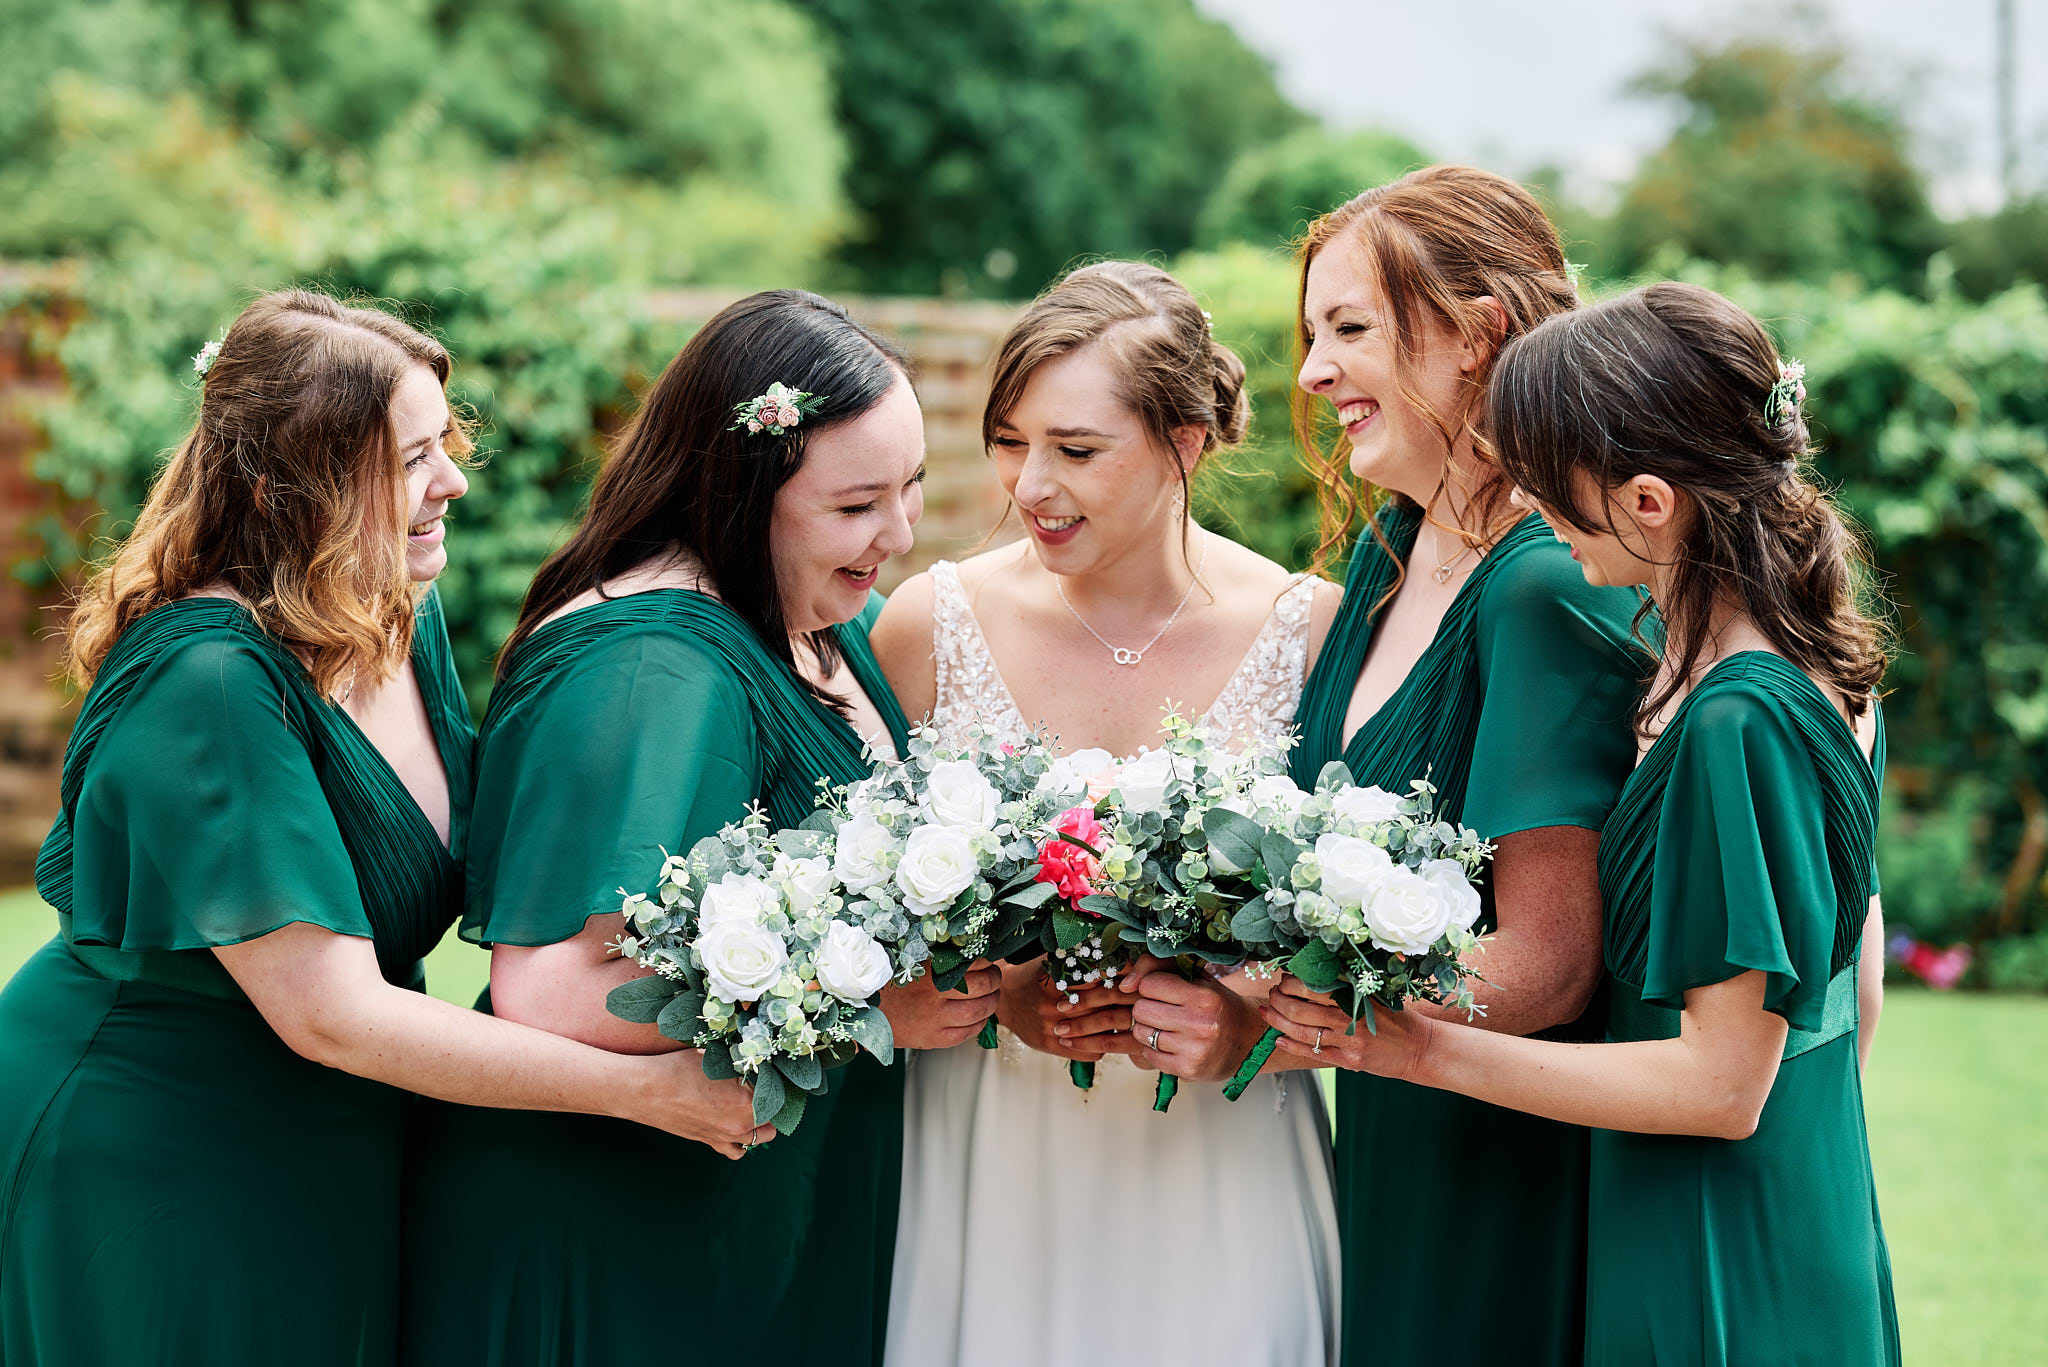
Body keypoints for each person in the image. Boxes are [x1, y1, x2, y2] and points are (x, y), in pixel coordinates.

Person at [0, 290, 753, 1366]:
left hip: (332, 1131)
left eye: (443, 445)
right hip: (154, 1142)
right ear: (282, 482)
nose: (450, 479)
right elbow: (334, 1014)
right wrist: (648, 1089)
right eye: (408, 458)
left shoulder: (396, 607)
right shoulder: (208, 677)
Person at [1263, 280, 1899, 1367]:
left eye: (1549, 495)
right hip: (1790, 1200)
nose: (1536, 523)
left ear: (1648, 501)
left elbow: (1716, 1084)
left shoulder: (1736, 715)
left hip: (1705, 1240)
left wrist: (1408, 1044)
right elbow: (1857, 991)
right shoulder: (1811, 670)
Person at [400, 289, 1000, 1367]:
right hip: (625, 1213)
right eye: (856, 505)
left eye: (909, 488)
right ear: (739, 487)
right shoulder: (651, 667)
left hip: (750, 1197)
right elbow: (554, 987)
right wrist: (867, 1001)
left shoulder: (820, 616)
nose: (898, 534)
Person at [871, 261, 1345, 1366]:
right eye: (1008, 441)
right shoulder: (926, 623)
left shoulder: (1308, 634)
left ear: (1184, 441)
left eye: (1075, 449)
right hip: (990, 1150)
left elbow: (1365, 932)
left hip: (1221, 1155)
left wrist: (1246, 1023)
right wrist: (1000, 998)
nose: (1030, 483)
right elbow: (856, 914)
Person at [1266, 166, 1647, 1367]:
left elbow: (1542, 964)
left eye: (1350, 330)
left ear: (1478, 334)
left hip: (1502, 1158)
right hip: (1390, 1122)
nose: (1311, 373)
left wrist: (1267, 984)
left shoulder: (1539, 581)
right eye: (1311, 334)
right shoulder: (1390, 547)